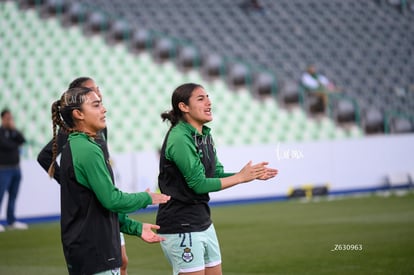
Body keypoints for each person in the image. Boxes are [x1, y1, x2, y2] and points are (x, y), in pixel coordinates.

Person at [155, 83, 278, 275]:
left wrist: (248, 176)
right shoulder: (180, 138)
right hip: (180, 224)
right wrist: (239, 177)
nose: (209, 103)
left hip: (202, 220)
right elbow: (198, 184)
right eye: (201, 98)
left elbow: (215, 175)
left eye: (208, 97)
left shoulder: (204, 135)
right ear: (183, 107)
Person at [47, 86, 170, 274]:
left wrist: (136, 228)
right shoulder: (86, 149)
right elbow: (111, 199)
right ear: (78, 113)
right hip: (95, 252)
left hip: (90, 251)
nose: (103, 109)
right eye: (96, 105)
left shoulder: (81, 145)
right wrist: (147, 198)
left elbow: (100, 206)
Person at [0, 109, 28, 232]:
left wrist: (14, 129)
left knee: (13, 196)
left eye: (10, 118)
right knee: (0, 196)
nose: (9, 120)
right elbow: (6, 145)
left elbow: (22, 140)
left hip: (16, 168)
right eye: (7, 118)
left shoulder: (13, 132)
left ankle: (11, 221)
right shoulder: (1, 132)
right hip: (3, 169)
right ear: (2, 118)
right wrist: (15, 144)